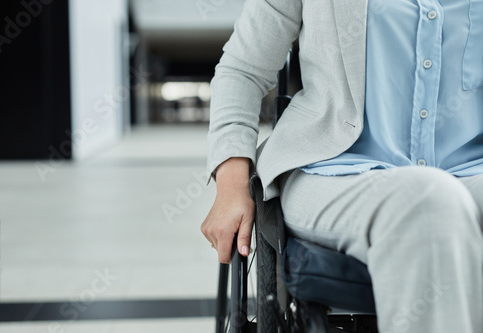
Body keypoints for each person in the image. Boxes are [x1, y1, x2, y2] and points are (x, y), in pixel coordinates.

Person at [200, 0, 483, 332]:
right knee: (432, 201)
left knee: (437, 197)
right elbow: (243, 70)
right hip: (336, 171)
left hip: (470, 168)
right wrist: (231, 186)